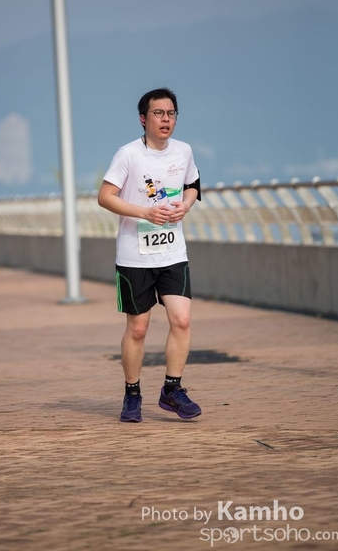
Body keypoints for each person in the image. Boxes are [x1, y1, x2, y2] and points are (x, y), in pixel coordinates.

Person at [98, 87, 202, 423]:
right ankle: (132, 395)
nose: (165, 119)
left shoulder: (184, 151)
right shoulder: (128, 154)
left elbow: (193, 185)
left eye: (171, 113)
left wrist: (186, 205)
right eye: (158, 113)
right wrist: (145, 212)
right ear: (143, 119)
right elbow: (105, 196)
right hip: (135, 257)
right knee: (139, 328)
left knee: (182, 319)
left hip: (173, 253)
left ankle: (172, 389)